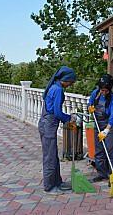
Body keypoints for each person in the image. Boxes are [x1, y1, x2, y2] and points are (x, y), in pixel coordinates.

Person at [38, 66, 77, 194]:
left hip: (46, 124)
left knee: (53, 155)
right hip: (48, 125)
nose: (70, 85)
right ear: (65, 79)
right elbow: (57, 112)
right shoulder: (58, 90)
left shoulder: (54, 86)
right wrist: (69, 118)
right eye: (70, 82)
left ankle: (57, 182)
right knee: (49, 157)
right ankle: (49, 187)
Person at [88, 74, 113, 182]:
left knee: (111, 152)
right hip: (97, 125)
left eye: (106, 90)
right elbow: (90, 103)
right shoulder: (95, 93)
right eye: (102, 90)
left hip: (109, 127)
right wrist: (90, 108)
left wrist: (106, 130)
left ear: (110, 89)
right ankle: (101, 173)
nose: (104, 92)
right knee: (99, 151)